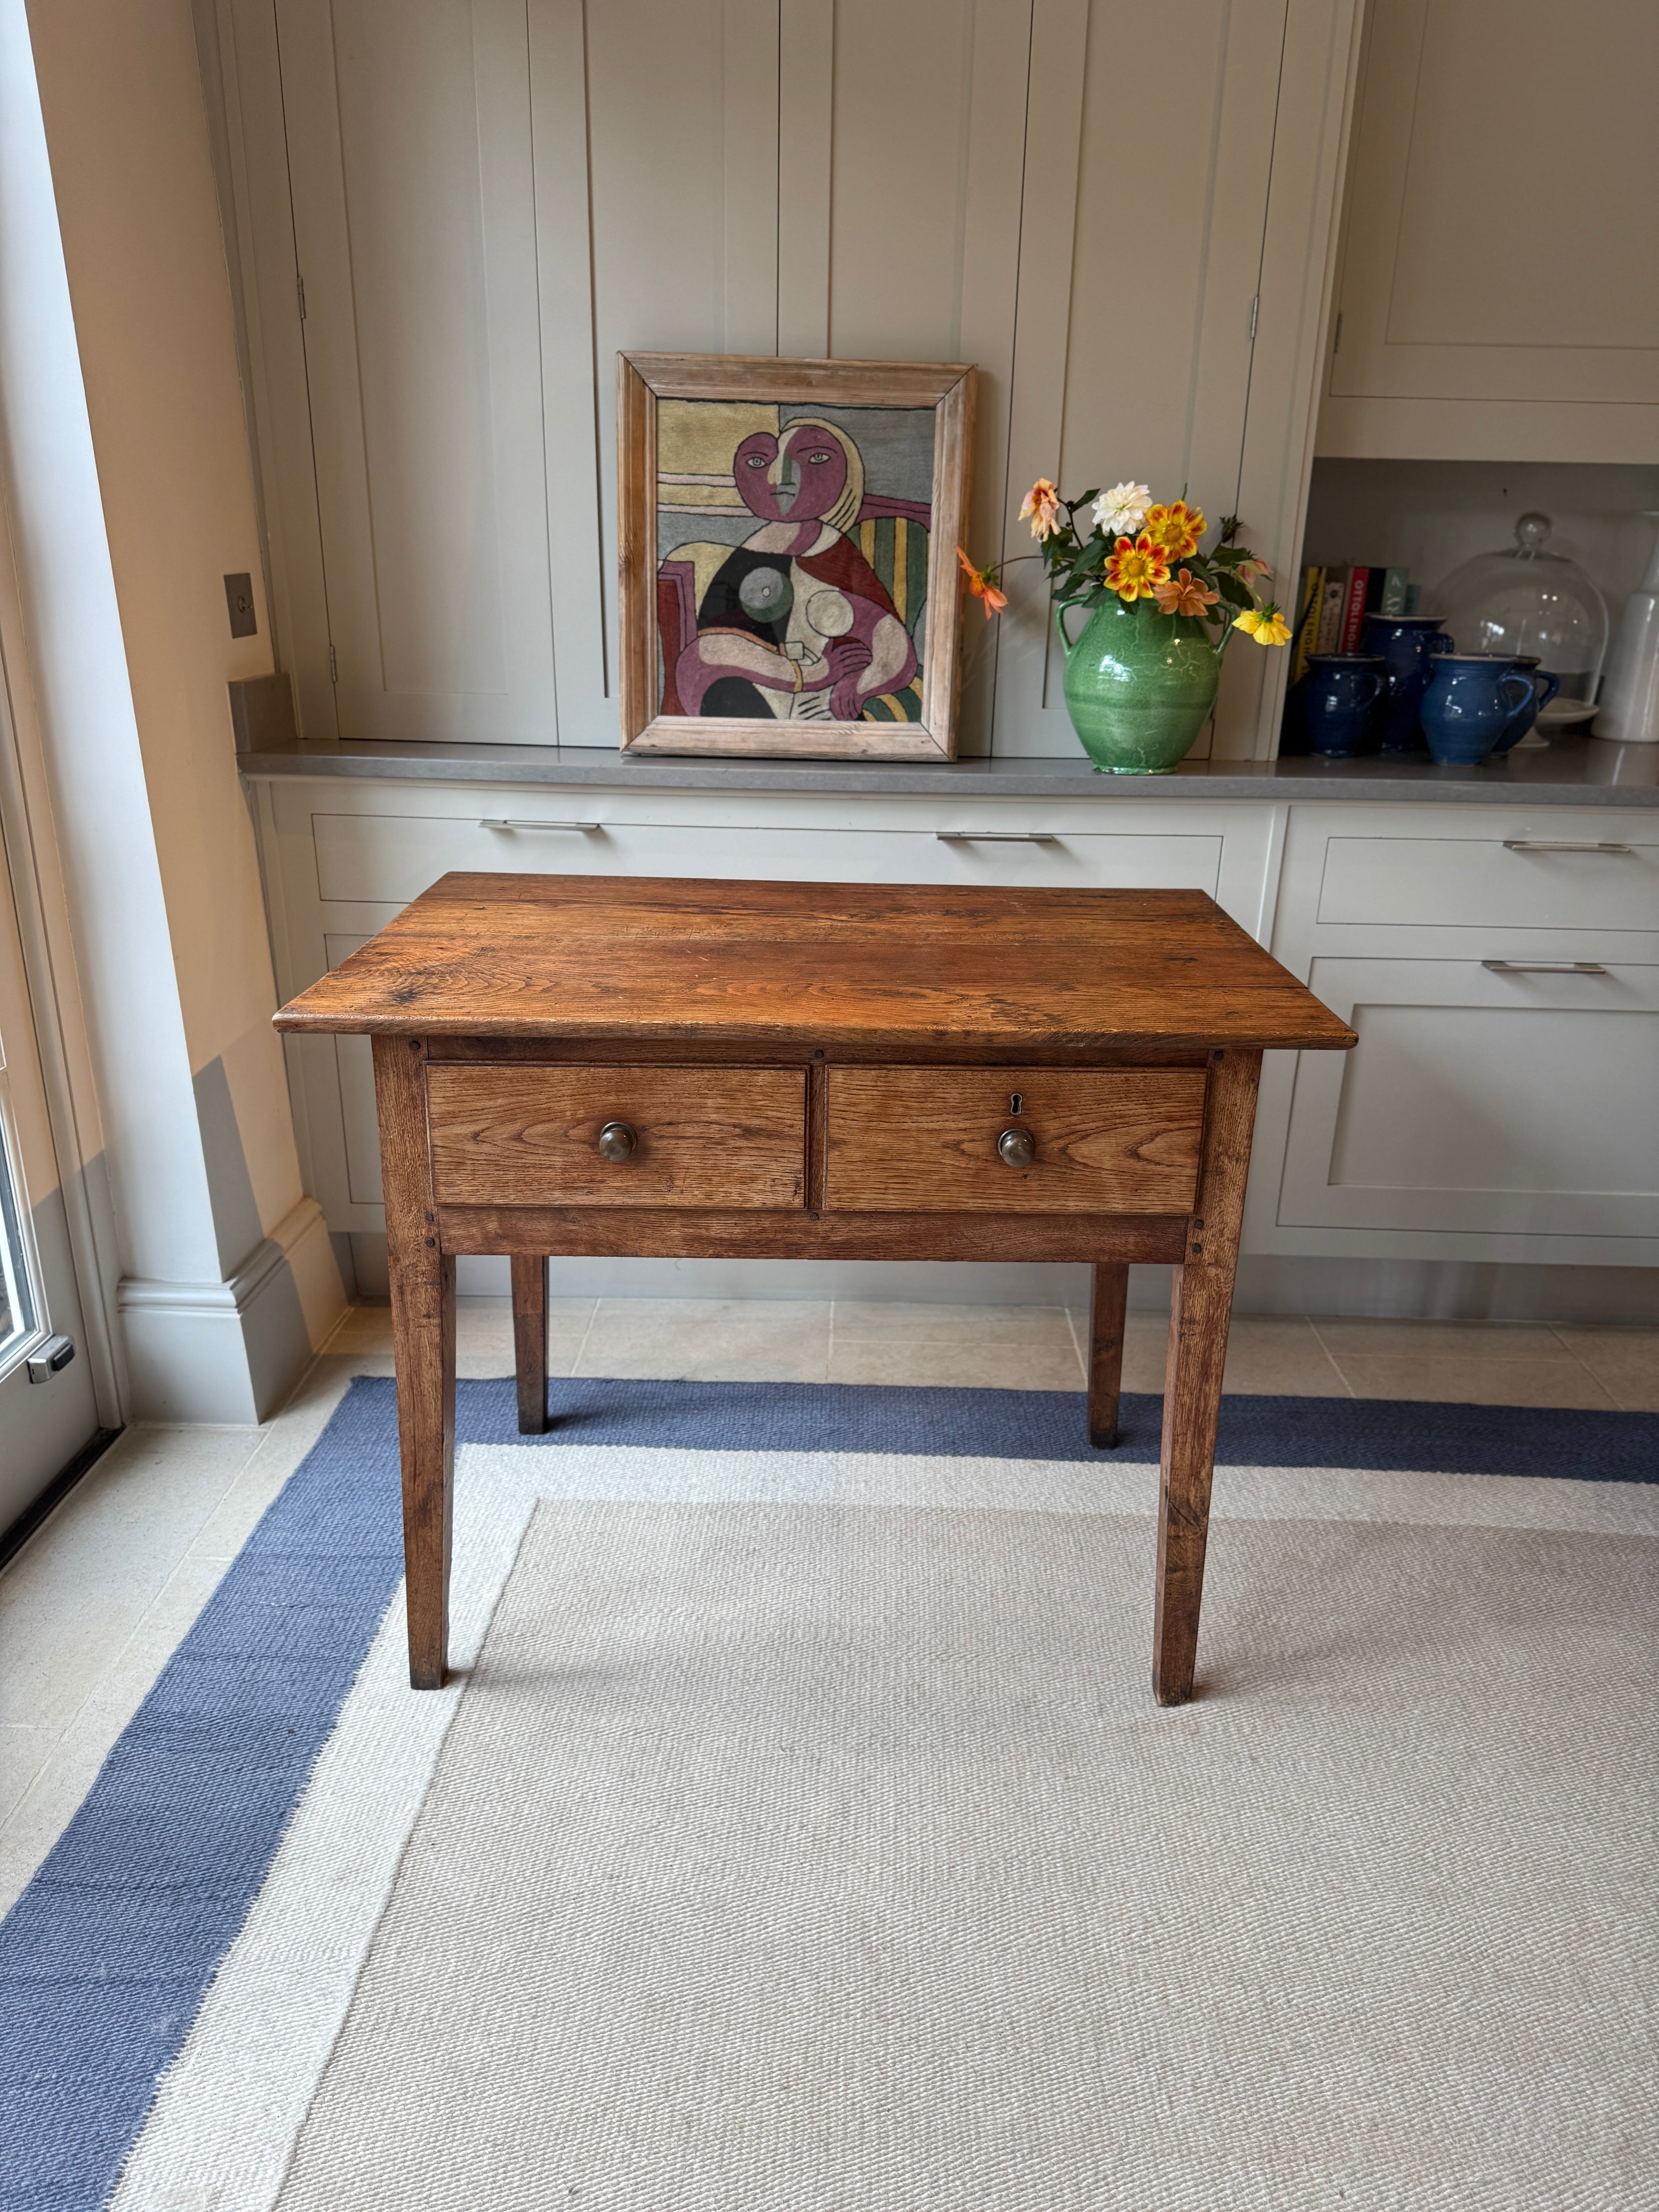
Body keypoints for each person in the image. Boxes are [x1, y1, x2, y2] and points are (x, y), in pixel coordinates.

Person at [658, 417, 917, 721]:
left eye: (816, 459)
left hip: (820, 709)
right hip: (752, 698)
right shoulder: (752, 554)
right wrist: (809, 674)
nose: (781, 479)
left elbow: (890, 641)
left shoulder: (833, 552)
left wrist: (859, 686)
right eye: (758, 462)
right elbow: (708, 654)